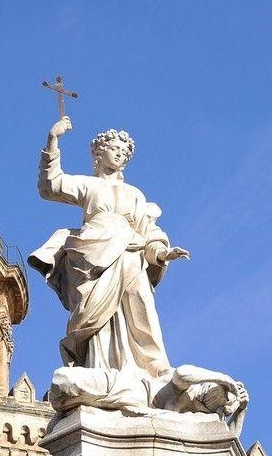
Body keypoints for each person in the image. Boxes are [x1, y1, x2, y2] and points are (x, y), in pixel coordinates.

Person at [28, 116, 189, 380]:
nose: (122, 156)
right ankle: (99, 365)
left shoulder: (135, 194)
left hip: (130, 252)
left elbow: (148, 232)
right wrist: (53, 140)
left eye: (125, 153)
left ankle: (153, 366)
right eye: (116, 150)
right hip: (94, 253)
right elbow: (51, 186)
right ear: (100, 153)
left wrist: (161, 253)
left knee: (141, 308)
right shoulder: (89, 185)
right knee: (96, 316)